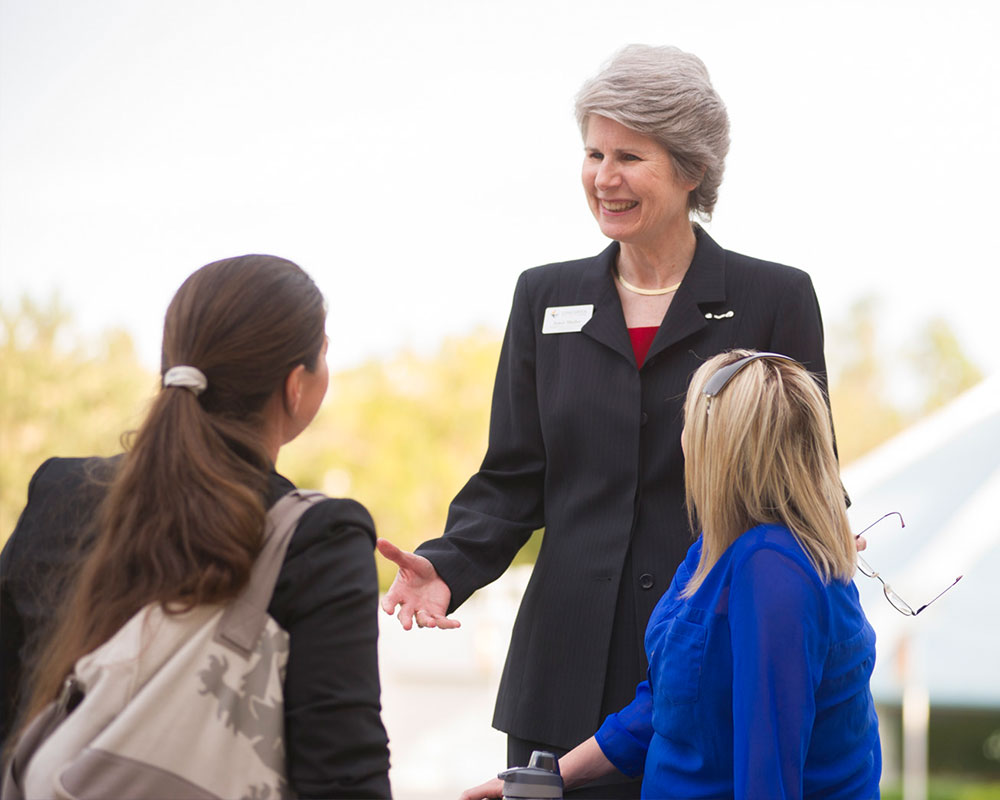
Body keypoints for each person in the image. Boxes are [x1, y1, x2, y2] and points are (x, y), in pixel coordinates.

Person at [378, 44, 834, 798]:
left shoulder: (775, 298)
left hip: (709, 661)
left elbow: (806, 477)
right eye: (593, 152)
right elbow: (513, 476)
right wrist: (449, 566)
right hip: (562, 680)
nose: (604, 177)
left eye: (630, 155)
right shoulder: (542, 297)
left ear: (690, 169)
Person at [0, 255, 391, 798]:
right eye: (323, 355)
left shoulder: (59, 494)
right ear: (296, 386)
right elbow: (344, 778)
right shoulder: (318, 539)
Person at [461, 350, 881, 799]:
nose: (680, 438)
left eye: (687, 421)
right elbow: (667, 704)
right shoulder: (719, 549)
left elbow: (769, 776)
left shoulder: (771, 569)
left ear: (716, 444)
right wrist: (552, 776)